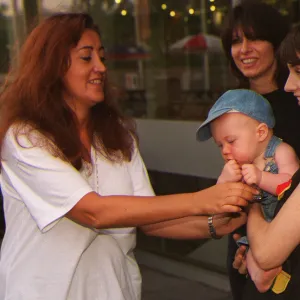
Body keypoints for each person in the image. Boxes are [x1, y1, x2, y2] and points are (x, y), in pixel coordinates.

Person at [0, 13, 257, 300]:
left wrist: (214, 224)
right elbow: (93, 212)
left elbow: (149, 217)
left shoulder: (117, 135)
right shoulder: (25, 138)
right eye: (86, 58)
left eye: (102, 57)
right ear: (53, 66)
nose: (100, 67)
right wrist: (202, 199)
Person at [221, 2, 300, 298]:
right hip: (245, 240)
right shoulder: (230, 105)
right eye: (235, 41)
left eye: (254, 38)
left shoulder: (296, 101)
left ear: (276, 43)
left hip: (287, 245)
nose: (244, 49)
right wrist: (243, 238)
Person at [196, 88, 299, 244]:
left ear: (261, 133)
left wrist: (261, 177)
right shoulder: (239, 164)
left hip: (287, 231)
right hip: (258, 233)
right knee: (250, 257)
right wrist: (224, 182)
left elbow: (292, 187)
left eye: (231, 141)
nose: (225, 151)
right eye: (220, 145)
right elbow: (218, 205)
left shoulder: (281, 151)